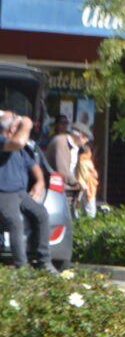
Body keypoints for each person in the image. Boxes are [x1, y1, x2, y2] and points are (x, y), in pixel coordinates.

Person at [0, 111, 56, 272]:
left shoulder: (18, 145)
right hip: (3, 193)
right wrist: (27, 126)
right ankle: (22, 268)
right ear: (10, 128)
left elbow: (33, 164)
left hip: (20, 192)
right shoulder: (5, 141)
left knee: (41, 214)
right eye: (15, 125)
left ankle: (44, 261)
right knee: (15, 223)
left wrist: (39, 181)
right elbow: (18, 142)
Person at [74, 141, 99, 218]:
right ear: (88, 152)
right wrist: (94, 175)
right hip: (88, 186)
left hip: (81, 186)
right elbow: (92, 175)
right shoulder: (87, 162)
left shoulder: (79, 161)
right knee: (90, 210)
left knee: (82, 207)